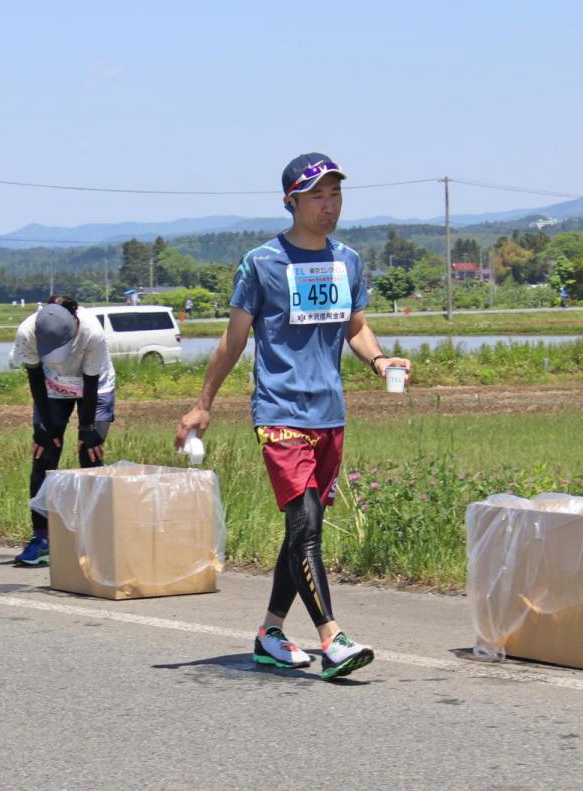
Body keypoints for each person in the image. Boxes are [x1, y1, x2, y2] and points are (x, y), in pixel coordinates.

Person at [176, 152, 410, 680]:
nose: (329, 206)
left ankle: (270, 633)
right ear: (292, 202)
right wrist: (202, 404)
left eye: (335, 195)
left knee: (302, 532)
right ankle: (333, 640)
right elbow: (233, 341)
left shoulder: (347, 260)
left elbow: (355, 327)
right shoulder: (260, 263)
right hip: (280, 411)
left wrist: (379, 359)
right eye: (317, 196)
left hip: (330, 414)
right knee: (304, 527)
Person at [10, 296, 116, 566]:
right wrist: (44, 426)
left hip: (94, 386)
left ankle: (96, 539)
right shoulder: (28, 332)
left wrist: (88, 427)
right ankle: (42, 539)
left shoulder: (93, 332)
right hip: (51, 388)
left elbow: (91, 383)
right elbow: (34, 376)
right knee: (43, 455)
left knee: (90, 454)